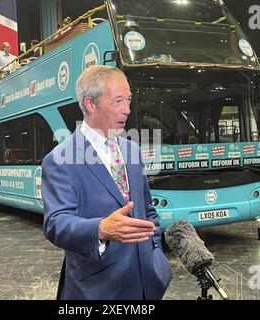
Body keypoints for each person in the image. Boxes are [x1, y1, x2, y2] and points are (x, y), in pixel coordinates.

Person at [41, 65, 172, 299]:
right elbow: (56, 223)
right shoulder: (60, 158)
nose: (127, 110)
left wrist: (155, 254)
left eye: (129, 100)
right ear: (90, 104)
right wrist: (100, 229)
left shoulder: (132, 150)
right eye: (118, 101)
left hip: (146, 283)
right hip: (97, 288)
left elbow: (147, 210)